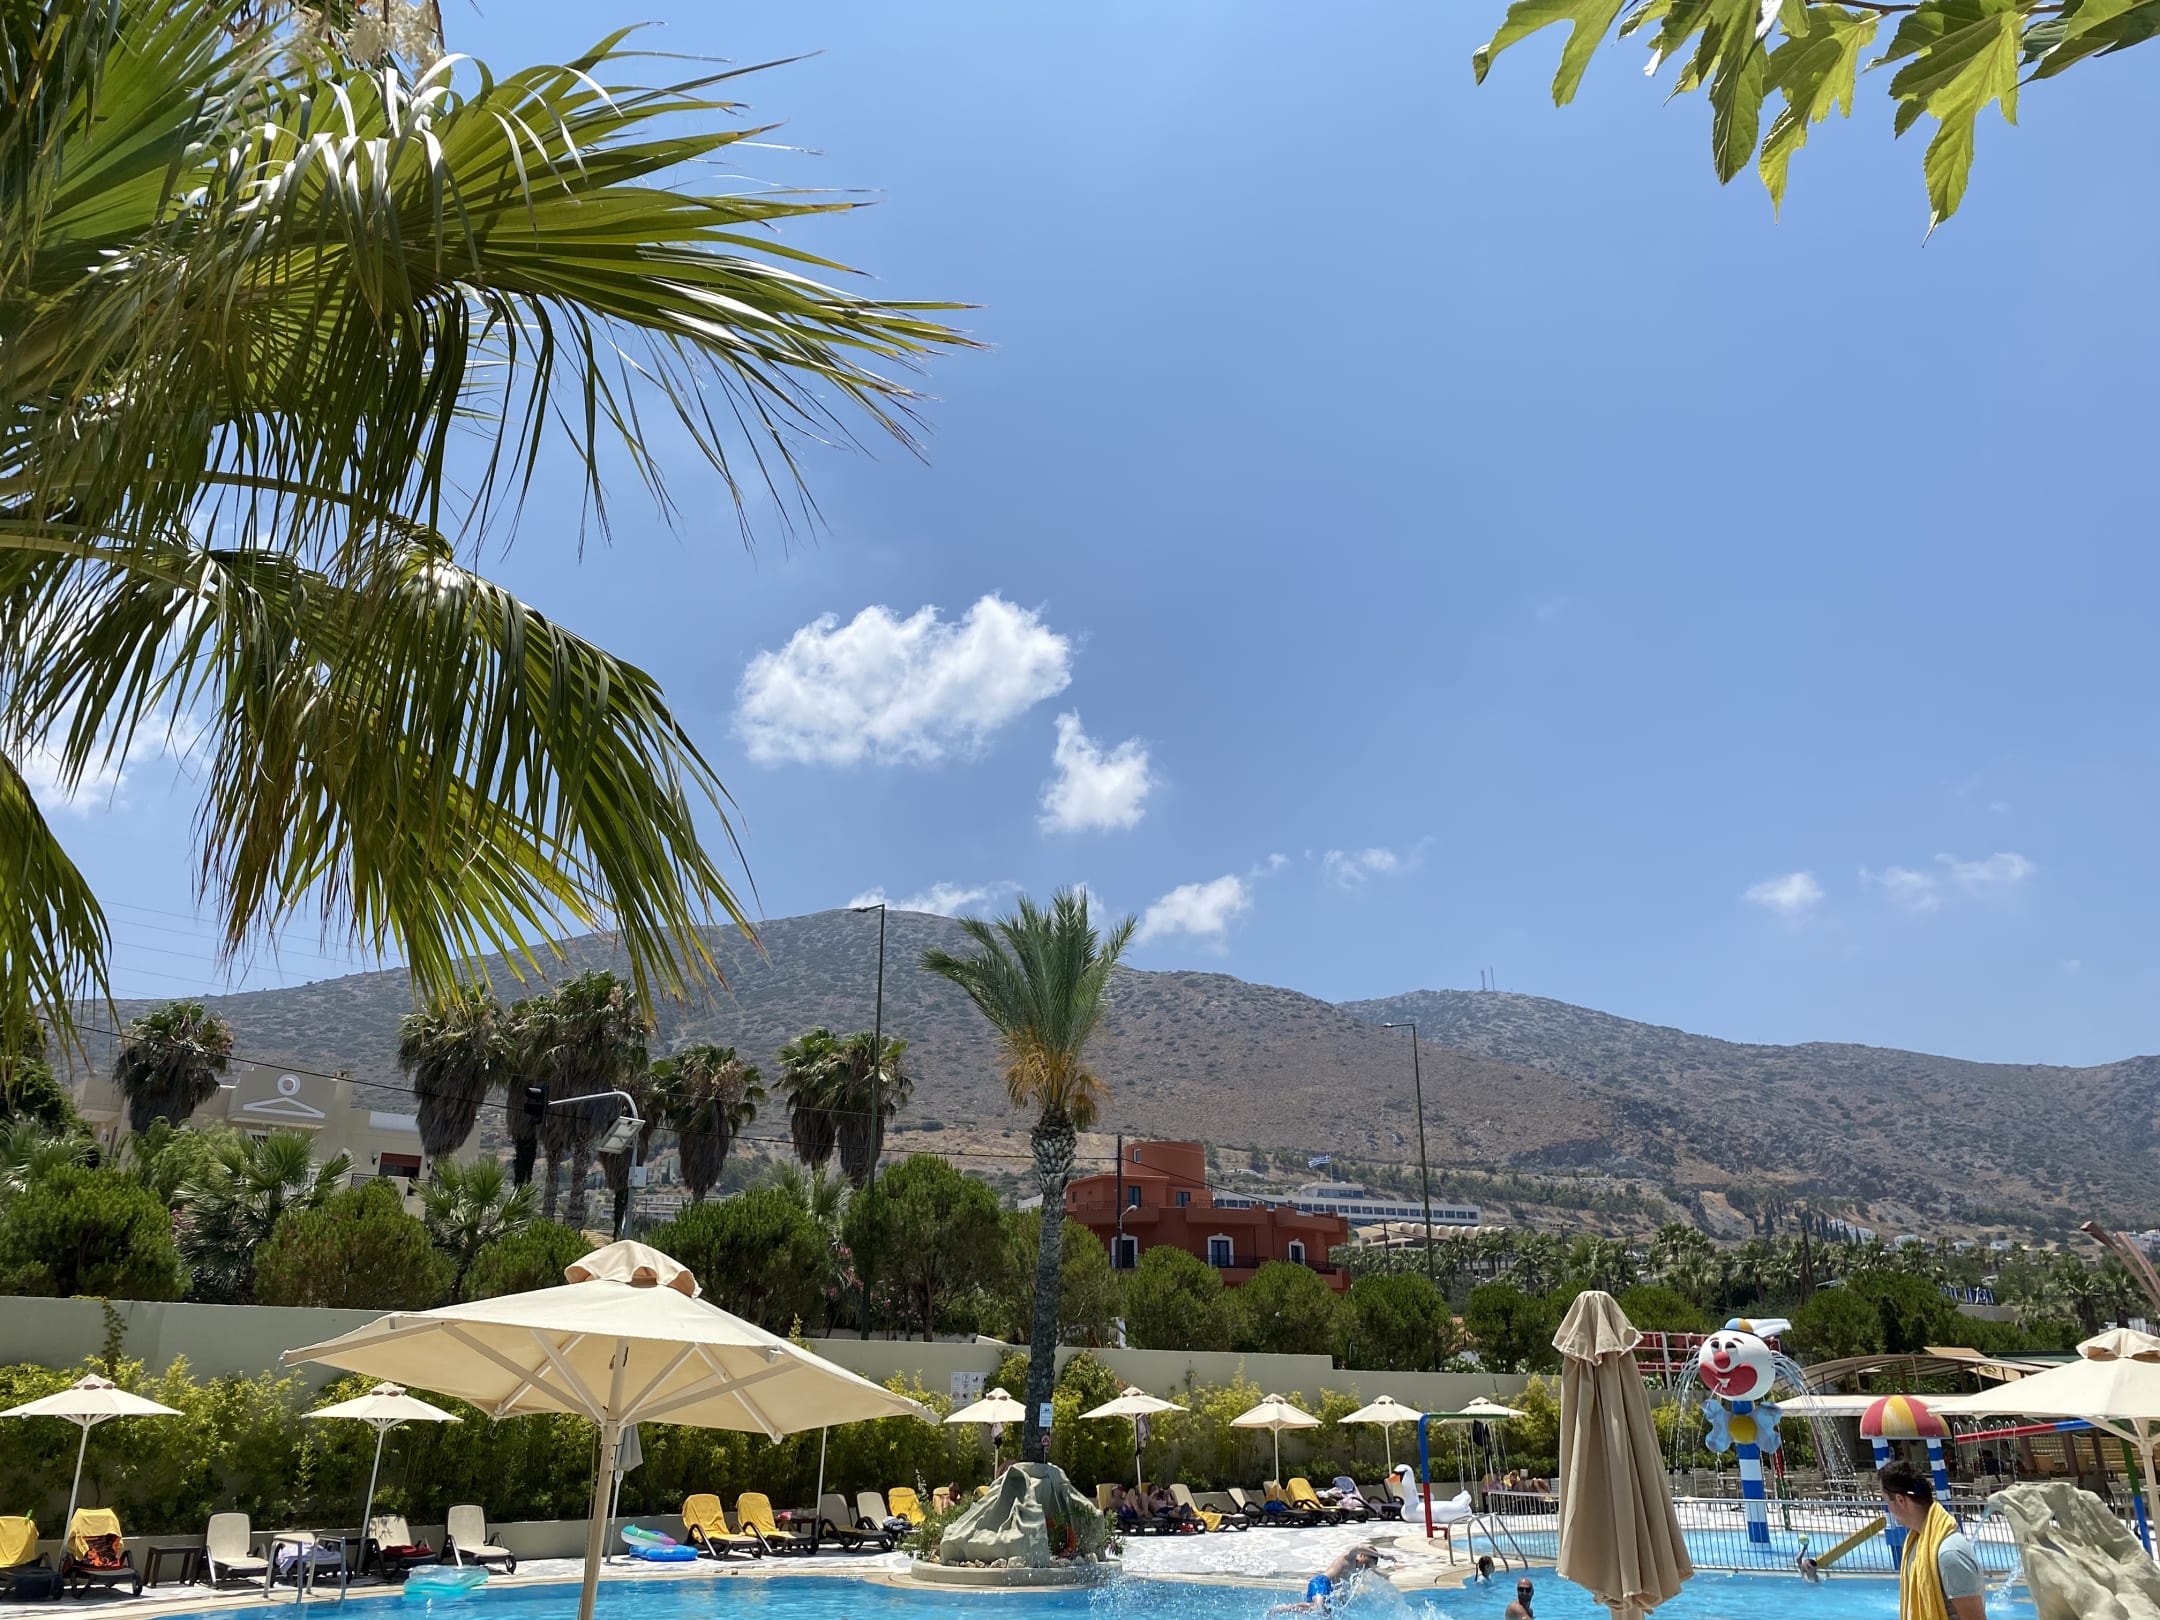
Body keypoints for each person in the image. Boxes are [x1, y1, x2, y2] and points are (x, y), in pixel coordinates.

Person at [1881, 1459, 1986, 1620]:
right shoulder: (1916, 1542)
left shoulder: (1949, 1553)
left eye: (1886, 1501)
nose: (1887, 1508)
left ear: (1900, 1500)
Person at [1265, 1544, 1387, 1614]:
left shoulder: (1354, 1572)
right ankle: (1283, 1608)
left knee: (1323, 1613)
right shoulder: (1348, 1558)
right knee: (1318, 1608)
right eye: (1367, 1563)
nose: (1365, 1567)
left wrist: (1342, 1607)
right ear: (1362, 1555)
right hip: (1321, 1582)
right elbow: (1358, 1547)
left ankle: (1287, 1609)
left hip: (1327, 1589)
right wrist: (1382, 1555)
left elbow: (1345, 1592)